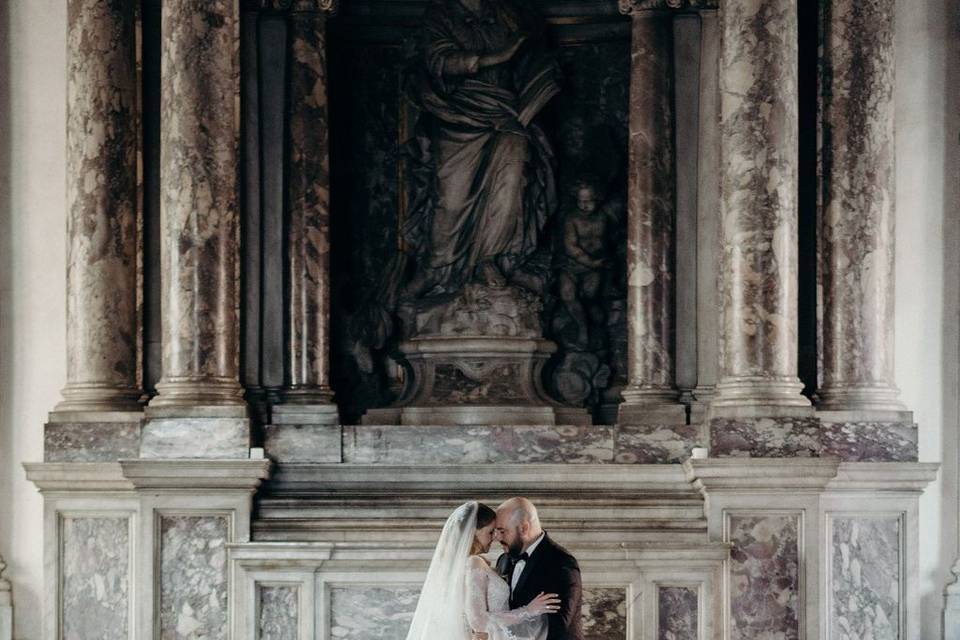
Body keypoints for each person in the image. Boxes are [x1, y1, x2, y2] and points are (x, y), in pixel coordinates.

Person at [402, 0, 560, 297]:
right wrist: (498, 56)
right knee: (451, 196)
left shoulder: (506, 11)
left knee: (512, 182)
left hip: (505, 109)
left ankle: (492, 257)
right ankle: (437, 267)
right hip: (457, 111)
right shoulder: (442, 13)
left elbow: (532, 51)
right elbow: (438, 59)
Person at [405, 501, 560, 640]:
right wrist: (528, 610)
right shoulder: (474, 562)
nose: (495, 537)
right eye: (491, 532)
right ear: (473, 532)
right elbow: (478, 621)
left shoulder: (470, 564)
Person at [492, 497, 583, 640]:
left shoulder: (561, 563)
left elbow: (555, 628)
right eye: (496, 531)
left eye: (502, 531)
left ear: (524, 528)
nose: (497, 537)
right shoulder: (503, 560)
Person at [556, 180, 609, 348]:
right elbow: (571, 246)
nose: (584, 205)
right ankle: (582, 330)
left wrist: (599, 262)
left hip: (596, 266)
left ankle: (596, 329)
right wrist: (590, 262)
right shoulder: (571, 219)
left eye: (588, 201)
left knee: (590, 298)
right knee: (567, 295)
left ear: (598, 199)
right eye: (580, 201)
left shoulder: (605, 217)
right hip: (572, 264)